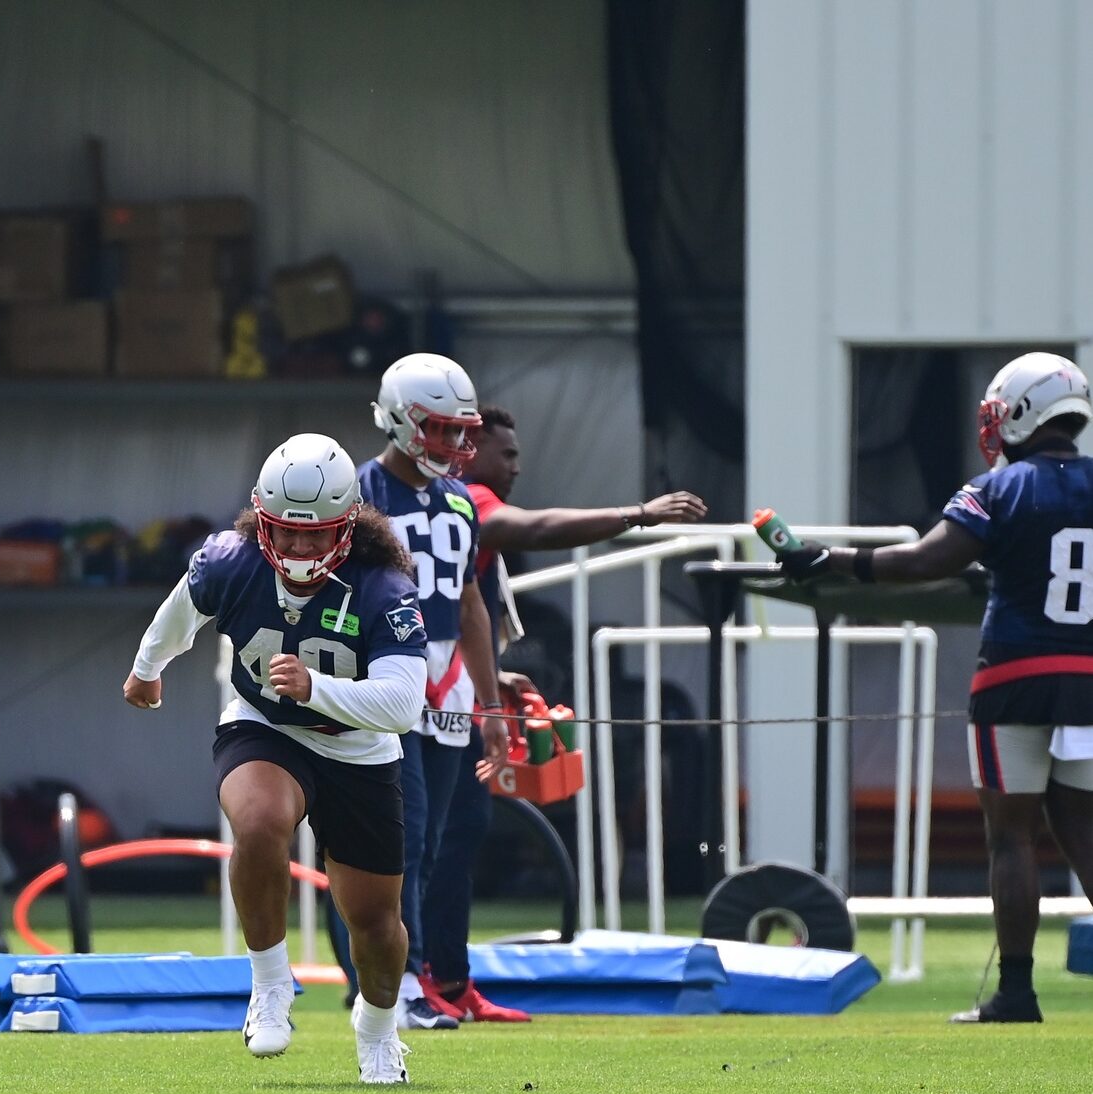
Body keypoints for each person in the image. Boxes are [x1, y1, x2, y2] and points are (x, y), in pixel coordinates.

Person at [776, 352, 1093, 1024]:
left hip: (1013, 673)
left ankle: (1015, 991)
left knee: (1011, 838)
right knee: (1084, 833)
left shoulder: (997, 488)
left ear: (1018, 411)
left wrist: (830, 560)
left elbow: (926, 559)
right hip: (1089, 678)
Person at [123, 433, 426, 1084]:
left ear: (347, 526)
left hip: (357, 748)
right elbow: (181, 610)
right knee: (258, 821)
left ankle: (376, 1029)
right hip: (265, 725)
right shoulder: (231, 560)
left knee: (375, 926)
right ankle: (270, 982)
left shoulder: (382, 587)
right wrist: (148, 667)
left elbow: (403, 705)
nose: (294, 549)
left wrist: (320, 688)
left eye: (312, 536)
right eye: (283, 532)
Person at [419, 404, 708, 1022]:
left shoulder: (455, 507)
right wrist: (639, 514)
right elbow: (539, 528)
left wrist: (489, 679)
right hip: (417, 707)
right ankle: (415, 984)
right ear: (471, 453)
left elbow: (455, 613)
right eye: (509, 454)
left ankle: (451, 981)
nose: (518, 466)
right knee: (428, 845)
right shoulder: (467, 498)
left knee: (460, 835)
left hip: (455, 699)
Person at [332, 353, 510, 1029]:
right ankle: (385, 983)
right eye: (439, 429)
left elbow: (469, 602)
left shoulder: (460, 499)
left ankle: (400, 975)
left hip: (447, 687)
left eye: (461, 430)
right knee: (388, 838)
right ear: (400, 419)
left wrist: (488, 701)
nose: (455, 446)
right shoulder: (354, 491)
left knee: (430, 842)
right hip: (377, 677)